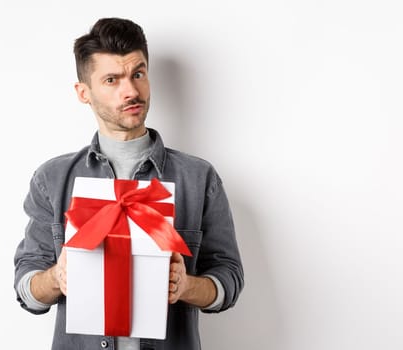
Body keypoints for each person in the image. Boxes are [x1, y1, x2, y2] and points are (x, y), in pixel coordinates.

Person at [13, 17, 244, 350]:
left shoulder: (199, 177)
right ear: (84, 92)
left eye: (138, 74)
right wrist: (56, 279)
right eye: (112, 80)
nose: (131, 91)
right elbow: (26, 288)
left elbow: (230, 280)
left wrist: (186, 286)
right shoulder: (52, 179)